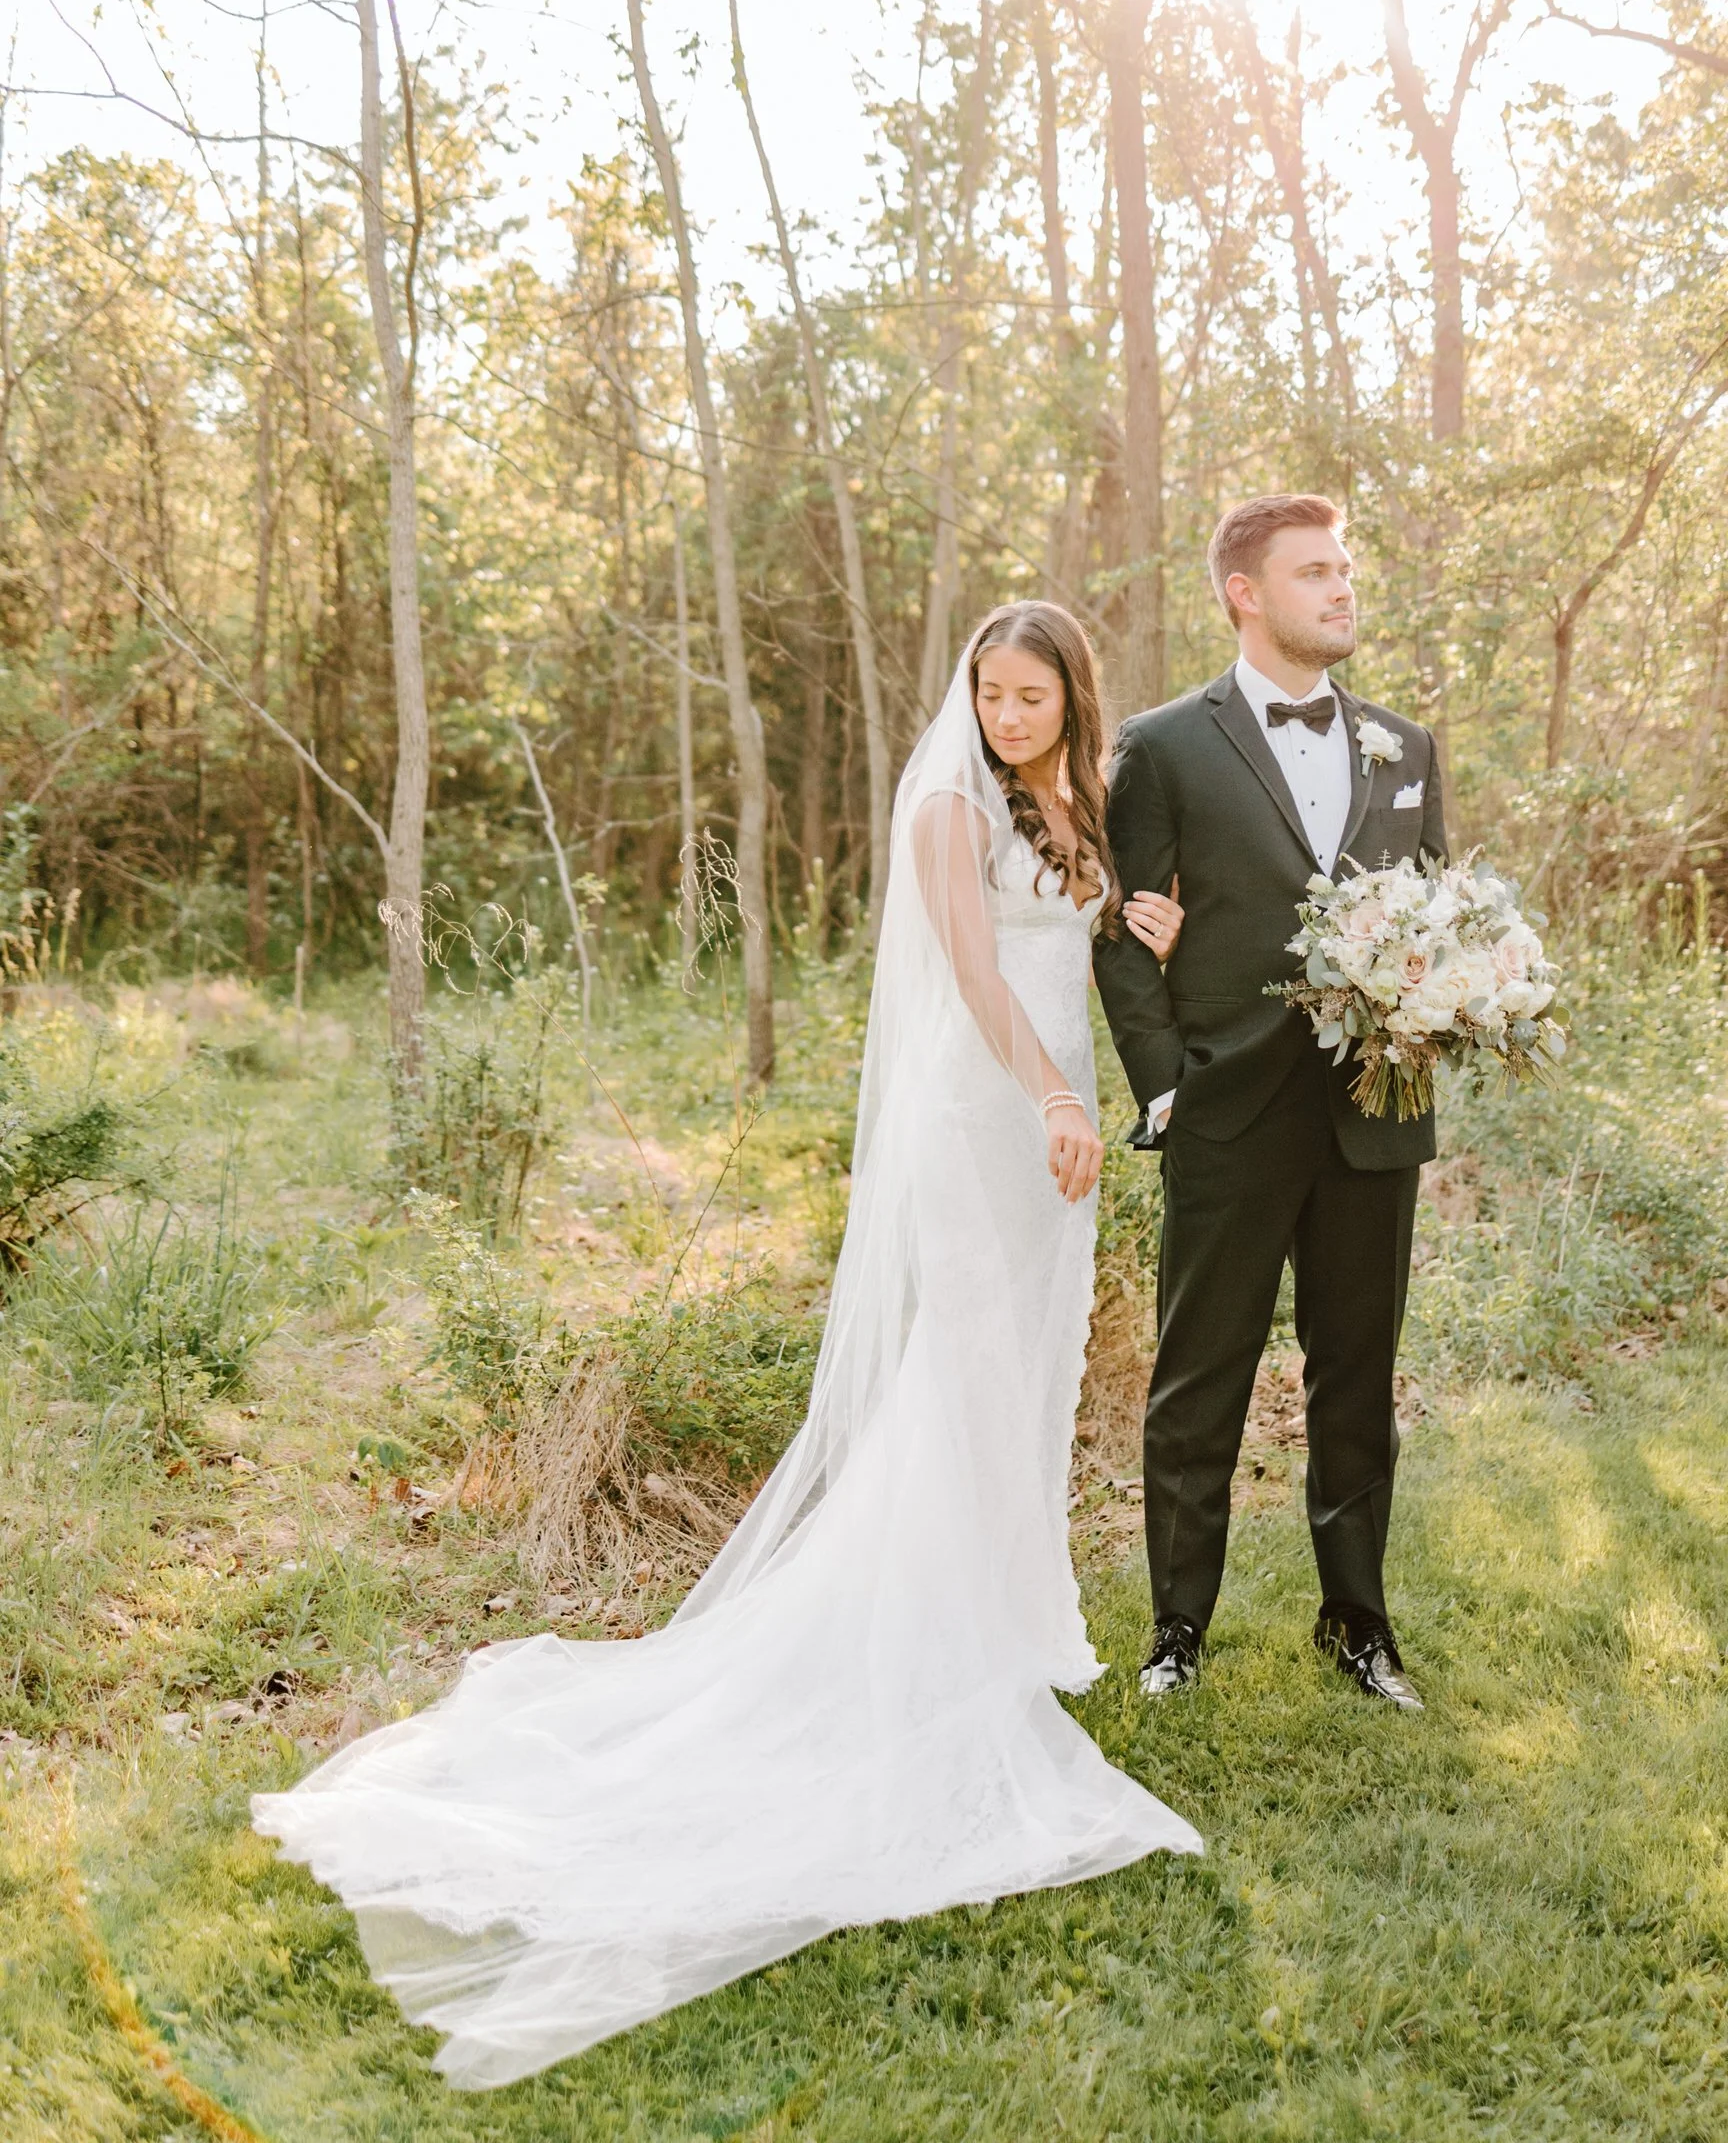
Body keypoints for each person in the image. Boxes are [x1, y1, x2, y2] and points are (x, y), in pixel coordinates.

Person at [253, 600, 1199, 2089]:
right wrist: (1056, 1101)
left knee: (1022, 1375)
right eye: (990, 693)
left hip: (1054, 1123)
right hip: (985, 1113)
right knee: (963, 1382)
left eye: (1032, 697)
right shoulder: (949, 801)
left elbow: (1077, 944)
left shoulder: (1071, 799)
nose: (1007, 716)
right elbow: (968, 970)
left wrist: (1144, 924)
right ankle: (935, 1659)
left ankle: (1006, 1629)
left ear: (1075, 698)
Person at [1093, 496, 1446, 1713]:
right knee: (1202, 1378)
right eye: (1314, 572)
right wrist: (1163, 1089)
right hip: (1227, 1109)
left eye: (1346, 568)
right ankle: (1176, 1632)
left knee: (1358, 1373)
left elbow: (1435, 918)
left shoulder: (1407, 749)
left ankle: (1358, 1626)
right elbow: (1124, 937)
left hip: (1371, 1112)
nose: (1342, 590)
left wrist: (1444, 1004)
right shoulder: (1163, 745)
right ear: (1246, 592)